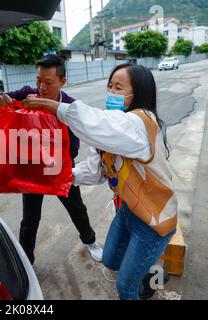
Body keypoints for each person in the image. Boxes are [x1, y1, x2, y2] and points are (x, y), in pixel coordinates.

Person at [23, 63, 177, 300]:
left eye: (119, 88)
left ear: (139, 93)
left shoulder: (141, 122)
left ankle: (144, 278)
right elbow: (95, 171)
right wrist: (58, 177)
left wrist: (56, 108)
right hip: (128, 211)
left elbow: (98, 126)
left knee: (125, 287)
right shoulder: (113, 127)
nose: (111, 92)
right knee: (110, 259)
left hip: (153, 220)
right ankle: (148, 272)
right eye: (110, 86)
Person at [0, 54, 103, 264]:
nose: (41, 88)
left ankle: (90, 241)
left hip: (61, 169)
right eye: (39, 81)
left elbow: (81, 140)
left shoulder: (71, 107)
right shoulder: (28, 95)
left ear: (63, 81)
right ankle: (26, 260)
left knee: (77, 209)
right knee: (29, 219)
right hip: (33, 171)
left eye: (48, 82)